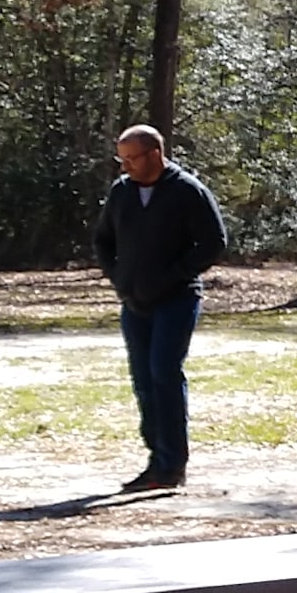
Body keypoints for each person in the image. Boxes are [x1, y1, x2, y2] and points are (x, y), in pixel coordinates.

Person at [94, 125, 227, 495]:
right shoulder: (121, 193)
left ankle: (172, 464)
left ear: (155, 154)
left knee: (164, 373)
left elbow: (214, 242)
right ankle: (156, 460)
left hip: (176, 299)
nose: (126, 166)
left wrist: (175, 275)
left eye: (132, 157)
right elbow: (102, 240)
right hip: (135, 303)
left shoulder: (187, 191)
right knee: (143, 379)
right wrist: (119, 278)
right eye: (122, 158)